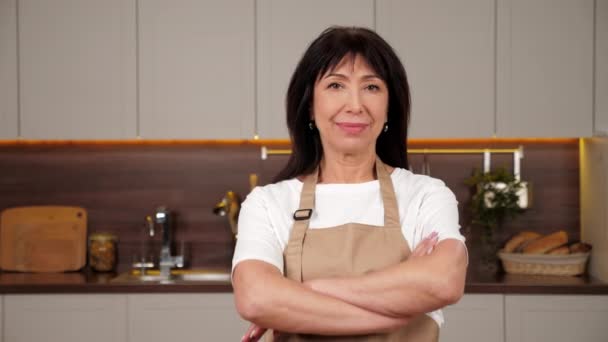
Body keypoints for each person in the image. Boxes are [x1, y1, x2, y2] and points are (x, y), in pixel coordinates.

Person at [232, 26, 468, 342]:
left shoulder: (426, 195)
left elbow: (444, 282)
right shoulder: (267, 203)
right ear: (310, 106)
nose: (355, 105)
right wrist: (396, 308)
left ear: (389, 107)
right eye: (335, 85)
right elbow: (256, 298)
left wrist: (304, 293)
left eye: (371, 87)